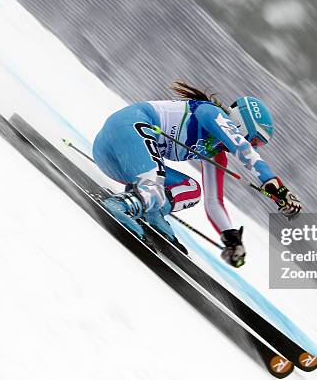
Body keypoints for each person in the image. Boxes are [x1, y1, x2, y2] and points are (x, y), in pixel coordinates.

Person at [92, 81, 301, 267]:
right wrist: (276, 187)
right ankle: (120, 206)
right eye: (255, 140)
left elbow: (214, 201)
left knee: (192, 189)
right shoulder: (211, 113)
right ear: (242, 123)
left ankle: (149, 212)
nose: (254, 146)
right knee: (155, 186)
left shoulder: (217, 154)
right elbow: (243, 150)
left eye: (259, 145)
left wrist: (231, 238)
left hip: (119, 164)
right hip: (126, 129)